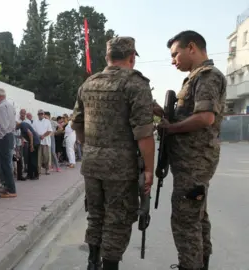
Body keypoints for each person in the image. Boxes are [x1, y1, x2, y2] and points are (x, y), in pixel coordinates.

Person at [71, 37, 155, 270]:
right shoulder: (135, 84)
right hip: (121, 168)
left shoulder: (88, 84)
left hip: (92, 164)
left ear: (108, 57)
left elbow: (76, 122)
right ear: (131, 57)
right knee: (117, 220)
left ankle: (92, 262)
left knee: (96, 215)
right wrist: (149, 170)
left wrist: (91, 147)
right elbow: (144, 133)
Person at [157, 30, 226, 270]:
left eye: (176, 54)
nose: (173, 60)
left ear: (192, 48)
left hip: (194, 163)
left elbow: (205, 118)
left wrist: (172, 128)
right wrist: (164, 113)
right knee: (197, 218)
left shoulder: (207, 76)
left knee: (185, 221)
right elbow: (190, 114)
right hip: (191, 162)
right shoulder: (195, 77)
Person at [0, 88, 17, 198]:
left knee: (5, 164)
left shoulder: (2, 106)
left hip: (5, 136)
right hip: (10, 135)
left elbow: (4, 124)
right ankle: (8, 187)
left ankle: (11, 190)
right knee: (6, 163)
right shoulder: (10, 105)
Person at [32, 109, 52, 175]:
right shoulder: (35, 122)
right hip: (38, 141)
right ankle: (38, 170)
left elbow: (49, 131)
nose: (40, 115)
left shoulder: (47, 121)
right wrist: (38, 135)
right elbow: (33, 131)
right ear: (38, 115)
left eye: (41, 114)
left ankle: (47, 169)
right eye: (39, 114)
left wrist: (43, 135)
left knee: (46, 156)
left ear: (43, 114)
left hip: (46, 141)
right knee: (38, 157)